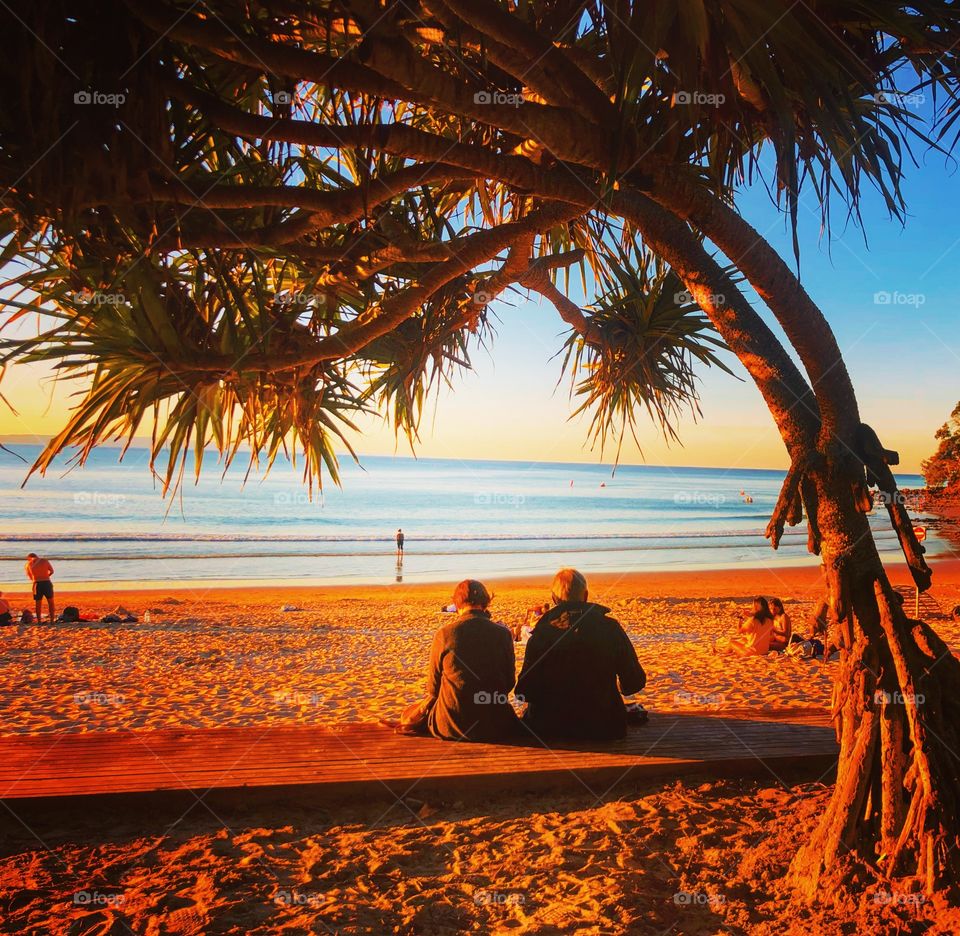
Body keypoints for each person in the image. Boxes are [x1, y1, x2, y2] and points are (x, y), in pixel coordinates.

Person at [517, 568, 646, 741]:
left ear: (554, 599)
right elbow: (634, 682)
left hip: (550, 728)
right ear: (585, 595)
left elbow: (524, 691)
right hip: (605, 726)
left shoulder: (542, 633)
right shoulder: (610, 628)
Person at [413, 579, 521, 742]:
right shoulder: (503, 634)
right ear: (485, 603)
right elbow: (509, 683)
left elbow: (433, 689)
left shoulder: (445, 634)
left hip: (451, 726)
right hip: (495, 725)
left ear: (457, 604)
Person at [25, 552, 55, 624]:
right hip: (46, 582)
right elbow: (52, 571)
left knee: (38, 603)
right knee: (51, 602)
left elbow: (30, 577)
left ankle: (39, 621)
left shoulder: (28, 564)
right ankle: (52, 620)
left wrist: (37, 578)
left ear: (29, 558)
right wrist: (46, 576)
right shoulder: (44, 561)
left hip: (36, 584)